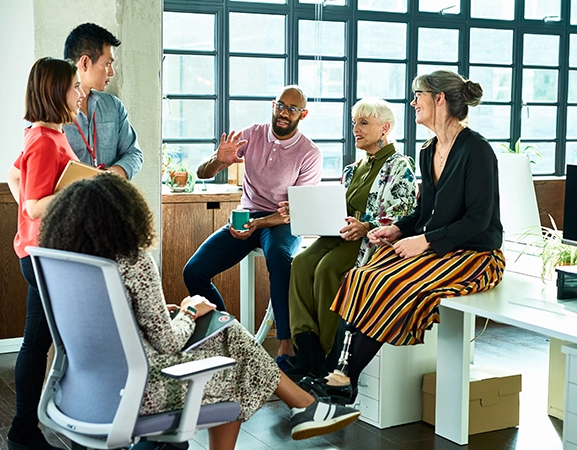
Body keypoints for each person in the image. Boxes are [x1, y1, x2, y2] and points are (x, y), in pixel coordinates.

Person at [38, 173, 360, 450]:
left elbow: (105, 320)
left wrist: (157, 312)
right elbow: (167, 342)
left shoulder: (67, 263)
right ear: (126, 216)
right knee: (233, 363)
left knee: (226, 330)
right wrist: (189, 311)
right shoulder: (135, 262)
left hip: (82, 389)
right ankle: (305, 406)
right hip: (141, 391)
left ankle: (304, 407)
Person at [300, 70, 506, 404]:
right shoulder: (429, 151)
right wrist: (399, 229)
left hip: (476, 256)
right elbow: (426, 213)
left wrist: (423, 241)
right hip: (441, 249)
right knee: (360, 277)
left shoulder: (477, 150)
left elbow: (478, 220)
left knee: (388, 282)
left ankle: (342, 378)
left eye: (417, 94)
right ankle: (335, 374)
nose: (412, 102)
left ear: (439, 99)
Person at [183, 85, 322, 366]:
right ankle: (226, 336)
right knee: (194, 272)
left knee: (281, 260)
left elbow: (295, 212)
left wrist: (258, 224)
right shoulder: (252, 134)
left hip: (279, 222)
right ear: (273, 105)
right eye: (280, 106)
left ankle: (286, 345)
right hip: (246, 216)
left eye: (292, 109)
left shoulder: (309, 153)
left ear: (303, 114)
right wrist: (219, 161)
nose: (284, 113)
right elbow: (202, 173)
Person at [282, 97, 417, 382]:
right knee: (301, 262)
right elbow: (338, 207)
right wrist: (308, 212)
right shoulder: (354, 168)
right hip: (340, 233)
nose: (356, 128)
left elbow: (402, 214)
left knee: (327, 269)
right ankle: (306, 346)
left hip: (368, 239)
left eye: (364, 123)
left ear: (385, 128)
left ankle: (328, 354)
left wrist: (365, 224)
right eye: (355, 123)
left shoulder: (399, 166)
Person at [6, 57, 85, 450]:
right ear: (56, 91)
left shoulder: (45, 133)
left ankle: (32, 430)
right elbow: (36, 204)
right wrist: (80, 189)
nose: (80, 92)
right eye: (74, 86)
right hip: (43, 258)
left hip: (42, 254)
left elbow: (14, 177)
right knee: (44, 344)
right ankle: (29, 431)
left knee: (42, 343)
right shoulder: (42, 138)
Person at [62, 22, 143, 179]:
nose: (111, 72)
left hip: (109, 200)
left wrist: (109, 176)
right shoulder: (49, 112)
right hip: (70, 202)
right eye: (107, 64)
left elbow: (134, 153)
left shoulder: (114, 106)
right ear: (85, 62)